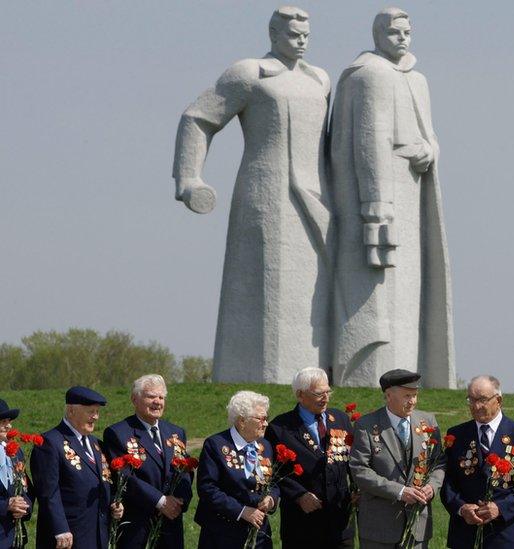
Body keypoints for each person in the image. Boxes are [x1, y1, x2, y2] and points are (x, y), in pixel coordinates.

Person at [172, 6, 333, 383]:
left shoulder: (320, 80)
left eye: (307, 34)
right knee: (264, 287)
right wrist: (188, 178)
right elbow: (197, 119)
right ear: (273, 34)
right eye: (294, 34)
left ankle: (313, 381)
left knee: (313, 291)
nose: (302, 40)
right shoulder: (250, 73)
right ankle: (258, 375)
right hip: (267, 192)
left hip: (318, 197)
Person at [330, 7, 454, 388]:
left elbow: (430, 134)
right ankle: (372, 373)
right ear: (378, 34)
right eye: (394, 31)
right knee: (378, 288)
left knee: (406, 287)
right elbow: (368, 141)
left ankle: (404, 372)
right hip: (381, 198)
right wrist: (375, 203)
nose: (402, 37)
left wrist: (430, 150)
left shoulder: (416, 79)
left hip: (410, 189)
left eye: (407, 30)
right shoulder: (370, 75)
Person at [441, 376, 514, 548]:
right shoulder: (457, 435)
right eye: (471, 400)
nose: (475, 406)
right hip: (466, 535)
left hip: (505, 534)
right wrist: (461, 507)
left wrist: (500, 508)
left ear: (499, 400)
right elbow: (447, 481)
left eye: (482, 400)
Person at [349, 369, 444, 548]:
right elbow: (359, 470)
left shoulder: (428, 421)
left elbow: (439, 461)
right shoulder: (367, 425)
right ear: (388, 395)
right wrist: (400, 492)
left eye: (415, 395)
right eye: (407, 395)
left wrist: (432, 486)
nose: (413, 401)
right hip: (379, 527)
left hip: (417, 527)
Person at [266, 368, 354, 548]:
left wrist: (357, 488)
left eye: (328, 392)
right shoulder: (280, 427)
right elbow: (271, 471)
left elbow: (353, 458)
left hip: (340, 524)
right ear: (300, 395)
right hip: (302, 524)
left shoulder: (340, 418)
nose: (326, 398)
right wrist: (298, 495)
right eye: (319, 393)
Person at [103, 375, 193, 549]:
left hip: (171, 523)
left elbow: (186, 470)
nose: (157, 402)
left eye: (161, 397)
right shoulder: (118, 433)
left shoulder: (176, 432)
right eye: (151, 396)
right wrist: (160, 501)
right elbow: (124, 476)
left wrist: (179, 501)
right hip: (137, 527)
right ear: (134, 399)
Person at [31, 387, 124, 549]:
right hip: (68, 537)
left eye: (97, 411)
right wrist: (60, 529)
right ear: (71, 410)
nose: (95, 416)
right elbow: (48, 492)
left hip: (97, 534)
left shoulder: (97, 444)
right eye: (90, 411)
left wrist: (114, 504)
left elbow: (106, 481)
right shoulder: (50, 442)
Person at [195, 391, 279, 549]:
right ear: (242, 421)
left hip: (259, 534)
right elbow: (208, 489)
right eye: (261, 419)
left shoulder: (265, 446)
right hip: (223, 533)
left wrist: (271, 499)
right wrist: (242, 511)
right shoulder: (216, 445)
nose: (266, 423)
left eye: (266, 418)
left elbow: (273, 481)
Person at [1, 398, 33, 549]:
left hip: (15, 537)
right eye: (3, 421)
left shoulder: (15, 451)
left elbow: (26, 488)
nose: (9, 426)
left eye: (9, 421)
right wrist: (5, 506)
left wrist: (24, 507)